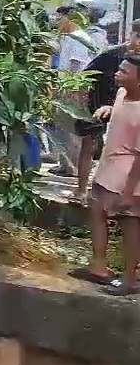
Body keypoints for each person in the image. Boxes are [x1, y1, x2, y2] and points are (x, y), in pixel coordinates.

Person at [69, 54, 140, 296]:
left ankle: (130, 278)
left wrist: (130, 192)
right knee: (97, 213)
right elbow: (120, 111)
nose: (117, 74)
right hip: (107, 170)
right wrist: (107, 109)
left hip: (127, 176)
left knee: (130, 225)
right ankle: (99, 267)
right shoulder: (121, 94)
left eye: (124, 72)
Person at [74, 19, 140, 200]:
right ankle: (81, 190)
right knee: (90, 145)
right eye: (138, 37)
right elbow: (85, 77)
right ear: (131, 35)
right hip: (99, 104)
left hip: (129, 108)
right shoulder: (111, 55)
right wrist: (82, 107)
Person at [52, 6, 102, 176]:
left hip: (73, 90)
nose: (57, 22)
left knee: (72, 130)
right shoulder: (67, 38)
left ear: (71, 19)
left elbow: (78, 67)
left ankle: (73, 167)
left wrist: (70, 90)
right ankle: (64, 164)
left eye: (60, 19)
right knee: (63, 128)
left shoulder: (79, 39)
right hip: (64, 88)